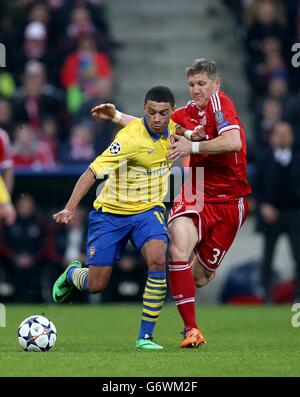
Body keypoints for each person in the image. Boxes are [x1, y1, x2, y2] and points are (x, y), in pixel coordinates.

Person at [92, 59, 251, 348]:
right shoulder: (186, 113)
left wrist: (193, 146)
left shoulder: (220, 104)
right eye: (192, 84)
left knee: (200, 277)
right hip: (197, 189)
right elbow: (155, 123)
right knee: (176, 250)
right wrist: (116, 116)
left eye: (202, 83)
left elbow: (233, 142)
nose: (196, 89)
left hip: (231, 199)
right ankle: (191, 330)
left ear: (216, 84)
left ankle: (183, 289)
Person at [52, 86, 176, 350]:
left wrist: (117, 114)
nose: (157, 118)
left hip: (148, 211)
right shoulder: (128, 139)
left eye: (163, 113)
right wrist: (71, 207)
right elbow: (91, 171)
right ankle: (74, 273)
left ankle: (145, 337)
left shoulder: (175, 130)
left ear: (171, 113)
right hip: (111, 213)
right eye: (151, 112)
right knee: (97, 284)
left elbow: (187, 132)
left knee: (157, 257)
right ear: (144, 109)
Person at [255, 121, 300, 302]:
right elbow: (255, 187)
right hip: (271, 213)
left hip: (294, 213)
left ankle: (297, 295)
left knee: (298, 256)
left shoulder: (297, 159)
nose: (282, 137)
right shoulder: (264, 159)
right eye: (279, 133)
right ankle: (266, 294)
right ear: (272, 137)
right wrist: (263, 206)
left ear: (292, 137)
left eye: (286, 133)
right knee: (267, 256)